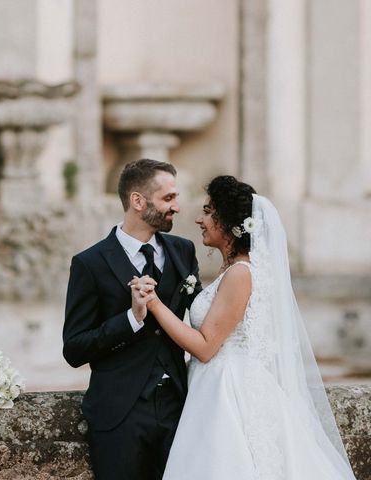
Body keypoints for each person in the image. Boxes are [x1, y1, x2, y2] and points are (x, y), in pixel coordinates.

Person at [131, 175, 357, 479]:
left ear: (230, 222)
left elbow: (206, 347)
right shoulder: (233, 271)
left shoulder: (240, 273)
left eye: (209, 211)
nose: (199, 219)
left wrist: (154, 303)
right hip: (212, 384)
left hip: (227, 391)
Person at [62, 158, 202, 480]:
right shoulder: (90, 263)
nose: (177, 207)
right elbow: (74, 348)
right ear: (138, 201)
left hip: (180, 409)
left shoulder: (183, 252)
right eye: (168, 198)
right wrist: (131, 318)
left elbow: (200, 314)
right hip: (119, 415)